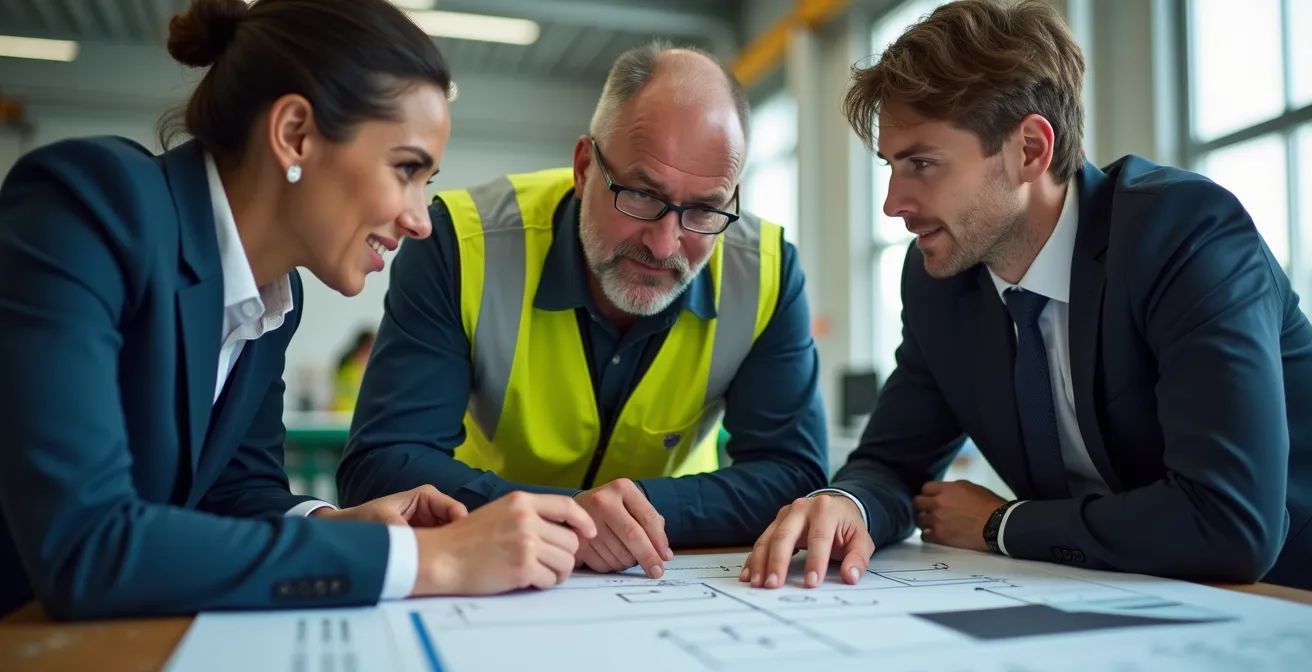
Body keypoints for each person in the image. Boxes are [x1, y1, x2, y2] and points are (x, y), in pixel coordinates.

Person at [0, 0, 595, 621]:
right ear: (294, 134)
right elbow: (87, 546)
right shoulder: (87, 210)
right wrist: (430, 561)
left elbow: (235, 491)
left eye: (428, 182)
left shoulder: (278, 294)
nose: (420, 219)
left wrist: (344, 527)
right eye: (406, 169)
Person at [744, 0, 1312, 591]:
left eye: (922, 163)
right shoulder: (942, 282)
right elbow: (891, 462)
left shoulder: (1183, 236)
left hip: (1284, 599)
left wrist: (1002, 525)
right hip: (1113, 601)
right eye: (891, 165)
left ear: (1030, 150)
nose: (893, 202)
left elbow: (1232, 525)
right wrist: (847, 504)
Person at [338, 43, 829, 579]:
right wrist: (572, 516)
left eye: (706, 209)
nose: (666, 245)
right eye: (642, 195)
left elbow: (794, 476)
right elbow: (383, 468)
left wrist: (630, 513)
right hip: (492, 565)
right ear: (583, 168)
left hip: (673, 574)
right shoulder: (459, 240)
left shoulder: (766, 270)